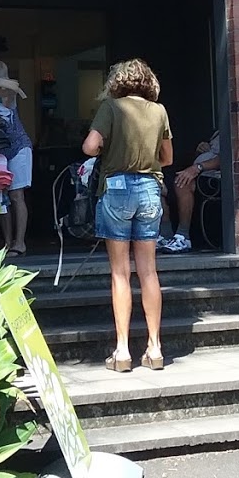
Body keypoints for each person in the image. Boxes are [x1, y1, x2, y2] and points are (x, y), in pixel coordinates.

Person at [82, 58, 173, 373]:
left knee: (120, 273)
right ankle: (155, 347)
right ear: (148, 81)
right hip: (150, 188)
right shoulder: (159, 111)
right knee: (149, 272)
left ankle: (122, 351)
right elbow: (167, 157)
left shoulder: (111, 107)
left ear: (117, 82)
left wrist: (107, 147)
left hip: (117, 188)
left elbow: (89, 146)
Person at [0, 61, 32, 257]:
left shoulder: (8, 94)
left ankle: (19, 242)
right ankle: (7, 242)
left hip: (18, 148)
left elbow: (7, 91)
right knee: (1, 197)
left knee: (16, 195)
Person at [159, 131, 222, 254]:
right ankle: (165, 236)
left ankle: (183, 237)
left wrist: (197, 167)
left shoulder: (233, 131)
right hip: (198, 172)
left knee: (183, 183)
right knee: (159, 183)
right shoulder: (217, 133)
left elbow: (226, 157)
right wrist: (201, 150)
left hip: (212, 178)